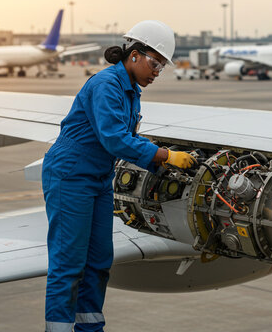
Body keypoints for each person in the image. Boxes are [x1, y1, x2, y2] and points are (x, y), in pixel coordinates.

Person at [41, 20, 195, 332]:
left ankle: (89, 328)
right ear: (134, 55)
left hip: (98, 180)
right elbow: (114, 138)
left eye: (161, 67)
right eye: (154, 63)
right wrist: (166, 155)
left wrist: (161, 167)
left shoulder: (130, 91)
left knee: (98, 262)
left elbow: (126, 140)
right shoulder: (106, 85)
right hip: (70, 177)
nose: (155, 72)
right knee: (69, 264)